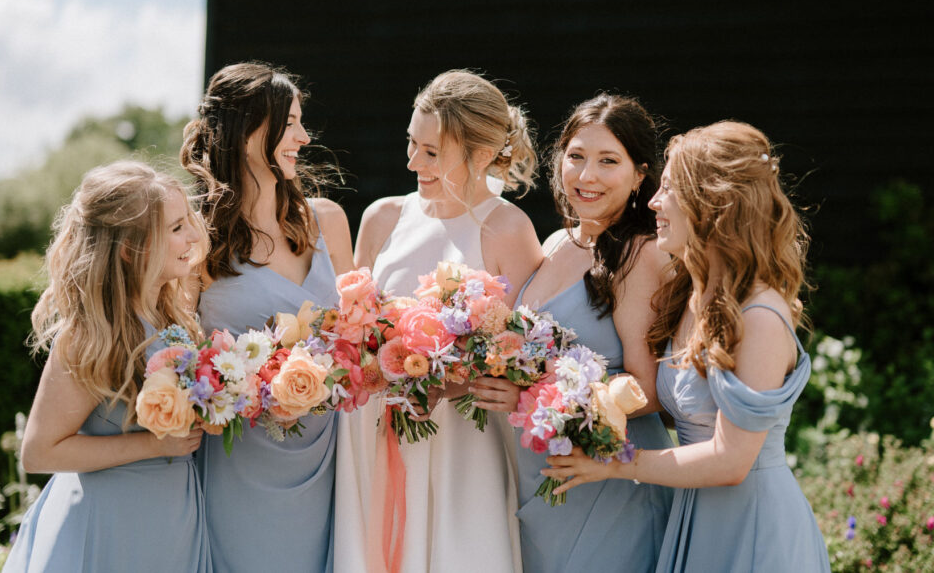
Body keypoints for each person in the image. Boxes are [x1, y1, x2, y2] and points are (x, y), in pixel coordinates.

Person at [543, 121, 831, 572]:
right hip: (695, 514)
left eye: (670, 188)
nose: (654, 200)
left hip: (754, 526)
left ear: (714, 201)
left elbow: (731, 460)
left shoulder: (759, 315)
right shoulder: (691, 297)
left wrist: (616, 464)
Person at [334, 70, 543, 573]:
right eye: (411, 144)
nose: (411, 162)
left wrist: (450, 382)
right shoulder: (383, 217)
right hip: (377, 435)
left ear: (483, 153)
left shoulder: (508, 228)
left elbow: (526, 355)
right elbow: (352, 333)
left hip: (463, 443)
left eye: (432, 152)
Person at [472, 94, 674, 572]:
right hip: (543, 473)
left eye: (608, 161)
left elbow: (649, 391)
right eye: (576, 157)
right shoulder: (560, 242)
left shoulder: (639, 254)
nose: (586, 176)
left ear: (639, 175)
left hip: (608, 478)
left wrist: (526, 397)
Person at [180, 61, 354, 573]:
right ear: (247, 130)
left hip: (331, 449)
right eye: (290, 123)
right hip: (240, 456)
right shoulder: (196, 236)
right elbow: (179, 349)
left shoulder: (328, 221)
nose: (303, 136)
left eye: (301, 122)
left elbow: (357, 336)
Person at [3, 161, 210, 573]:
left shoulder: (178, 321)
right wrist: (153, 445)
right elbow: (39, 452)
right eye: (175, 229)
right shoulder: (92, 336)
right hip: (106, 529)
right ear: (132, 250)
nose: (192, 236)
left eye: (188, 222)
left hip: (171, 524)